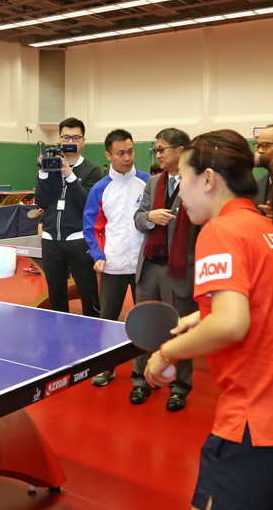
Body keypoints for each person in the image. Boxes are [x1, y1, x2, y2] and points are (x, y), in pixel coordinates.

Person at [144, 129, 273, 510]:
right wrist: (204, 314)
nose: (180, 194)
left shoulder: (221, 230)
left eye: (183, 180)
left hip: (260, 433)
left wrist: (166, 353)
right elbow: (272, 305)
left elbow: (233, 325)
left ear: (208, 179)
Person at [131, 128, 199, 411]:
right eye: (155, 150)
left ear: (181, 150)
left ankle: (179, 387)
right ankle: (140, 381)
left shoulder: (199, 182)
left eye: (162, 149)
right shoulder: (153, 183)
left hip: (180, 268)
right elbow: (137, 219)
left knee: (180, 330)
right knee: (145, 325)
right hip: (150, 267)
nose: (158, 154)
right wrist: (149, 217)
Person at [82, 130, 150, 386]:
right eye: (121, 153)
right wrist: (98, 255)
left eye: (130, 151)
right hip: (112, 265)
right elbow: (92, 228)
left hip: (145, 266)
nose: (127, 158)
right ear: (108, 155)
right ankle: (105, 367)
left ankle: (142, 372)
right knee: (107, 320)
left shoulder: (148, 182)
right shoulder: (100, 188)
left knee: (143, 319)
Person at [34, 117, 102, 315]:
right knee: (56, 294)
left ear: (83, 140)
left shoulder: (93, 170)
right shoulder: (50, 165)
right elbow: (42, 202)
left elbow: (88, 205)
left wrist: (70, 175)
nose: (70, 142)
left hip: (79, 240)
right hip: (50, 241)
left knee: (88, 293)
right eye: (66, 137)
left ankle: (93, 330)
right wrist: (43, 173)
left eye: (75, 138)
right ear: (59, 139)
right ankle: (59, 333)